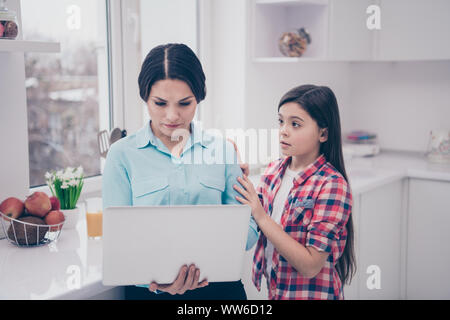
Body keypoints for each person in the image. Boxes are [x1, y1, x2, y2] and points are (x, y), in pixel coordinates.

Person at [102, 43, 258, 300]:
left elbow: (249, 233)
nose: (172, 115)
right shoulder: (121, 155)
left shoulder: (223, 150)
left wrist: (243, 220)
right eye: (160, 103)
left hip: (219, 293)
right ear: (145, 98)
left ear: (199, 98)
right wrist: (155, 282)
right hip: (150, 294)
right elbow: (117, 246)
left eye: (184, 103)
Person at [233, 84, 356, 300]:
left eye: (295, 124)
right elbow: (250, 217)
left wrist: (261, 215)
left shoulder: (332, 185)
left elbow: (310, 266)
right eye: (281, 121)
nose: (284, 130)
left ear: (323, 133)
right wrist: (234, 173)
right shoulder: (272, 171)